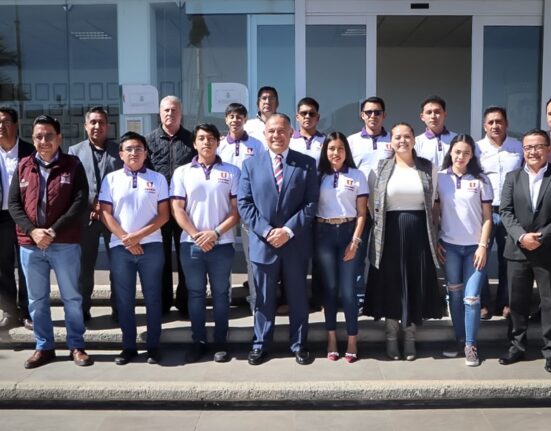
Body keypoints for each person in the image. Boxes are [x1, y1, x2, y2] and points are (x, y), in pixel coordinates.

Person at [8, 115, 92, 369]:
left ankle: (76, 345)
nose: (43, 141)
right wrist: (33, 232)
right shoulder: (23, 165)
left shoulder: (72, 165)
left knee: (72, 298)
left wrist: (52, 231)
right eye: (38, 137)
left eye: (48, 136)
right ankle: (44, 347)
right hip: (30, 246)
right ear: (32, 139)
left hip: (64, 243)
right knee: (36, 300)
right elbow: (14, 204)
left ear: (59, 138)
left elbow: (80, 202)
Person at [238, 113, 319, 366]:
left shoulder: (306, 164)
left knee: (297, 297)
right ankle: (261, 344)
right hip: (263, 244)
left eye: (281, 130)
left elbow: (311, 203)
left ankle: (299, 344)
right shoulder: (251, 165)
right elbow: (244, 203)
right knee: (263, 299)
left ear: (291, 132)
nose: (276, 135)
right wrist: (266, 231)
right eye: (271, 131)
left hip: (294, 244)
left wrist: (288, 231)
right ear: (265, 134)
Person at [363, 123, 443, 361]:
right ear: (391, 140)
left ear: (414, 140)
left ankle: (409, 337)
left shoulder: (428, 167)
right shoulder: (380, 167)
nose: (403, 141)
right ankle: (390, 336)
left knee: (413, 283)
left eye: (407, 136)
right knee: (391, 284)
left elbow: (433, 202)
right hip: (389, 233)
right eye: (398, 137)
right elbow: (371, 202)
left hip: (419, 234)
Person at [171, 124, 240, 363]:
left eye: (211, 138)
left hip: (222, 244)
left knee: (221, 294)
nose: (206, 143)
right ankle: (198, 340)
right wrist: (197, 234)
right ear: (194, 143)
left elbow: (236, 210)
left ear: (218, 142)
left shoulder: (232, 171)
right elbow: (177, 209)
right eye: (201, 138)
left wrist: (216, 233)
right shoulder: (182, 172)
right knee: (196, 294)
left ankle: (221, 341)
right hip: (191, 245)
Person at [99, 131, 169, 365]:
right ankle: (128, 346)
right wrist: (125, 239)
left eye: (138, 148)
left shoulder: (158, 179)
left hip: (151, 247)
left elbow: (164, 215)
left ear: (146, 153)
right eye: (128, 149)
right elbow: (105, 213)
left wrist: (137, 236)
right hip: (121, 249)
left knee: (153, 298)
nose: (134, 153)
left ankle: (153, 347)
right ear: (121, 154)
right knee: (124, 299)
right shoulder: (111, 179)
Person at [435, 134, 493, 366]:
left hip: (474, 250)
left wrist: (483, 246)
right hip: (449, 247)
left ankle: (471, 345)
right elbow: (435, 213)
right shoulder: (440, 178)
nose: (461, 156)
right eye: (457, 152)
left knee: (471, 298)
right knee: (455, 295)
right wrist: (436, 238)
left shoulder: (481, 180)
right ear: (451, 152)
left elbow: (488, 218)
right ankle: (459, 340)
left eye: (466, 153)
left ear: (472, 155)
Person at [498, 129, 551, 373]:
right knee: (517, 302)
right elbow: (506, 212)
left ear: (548, 149)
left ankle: (549, 350)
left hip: (547, 249)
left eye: (538, 146)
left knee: (549, 303)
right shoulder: (512, 177)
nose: (533, 151)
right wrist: (521, 236)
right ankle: (517, 346)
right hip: (518, 250)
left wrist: (541, 236)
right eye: (528, 147)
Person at [315, 132, 367, 363]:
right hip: (324, 233)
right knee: (330, 289)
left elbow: (362, 213)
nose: (335, 153)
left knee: (348, 290)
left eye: (340, 149)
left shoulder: (357, 175)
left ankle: (353, 339)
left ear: (346, 151)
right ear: (325, 152)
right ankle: (332, 339)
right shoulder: (318, 176)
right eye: (331, 149)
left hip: (348, 233)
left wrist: (355, 242)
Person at [68, 106, 122, 322]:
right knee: (84, 268)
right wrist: (90, 207)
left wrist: (105, 207)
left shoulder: (119, 151)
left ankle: (119, 309)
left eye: (101, 122)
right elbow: (73, 186)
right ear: (86, 126)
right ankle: (83, 310)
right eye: (93, 122)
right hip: (85, 218)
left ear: (107, 126)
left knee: (118, 267)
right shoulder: (74, 151)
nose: (97, 126)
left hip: (114, 218)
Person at [146, 95, 196, 315]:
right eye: (166, 110)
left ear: (181, 113)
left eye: (174, 110)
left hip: (185, 208)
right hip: (158, 208)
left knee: (186, 256)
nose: (170, 114)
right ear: (159, 113)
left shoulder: (192, 140)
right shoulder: (148, 141)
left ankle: (185, 302)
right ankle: (164, 301)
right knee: (161, 257)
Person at [476, 106, 523, 319]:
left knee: (509, 258)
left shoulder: (518, 147)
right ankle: (483, 302)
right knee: (481, 256)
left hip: (511, 211)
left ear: (506, 123)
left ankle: (505, 301)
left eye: (499, 121)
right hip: (484, 211)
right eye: (491, 122)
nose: (495, 126)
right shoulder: (476, 149)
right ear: (484, 126)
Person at [217, 103, 264, 315]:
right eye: (231, 116)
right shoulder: (218, 146)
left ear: (245, 120)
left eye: (239, 116)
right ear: (226, 119)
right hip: (224, 208)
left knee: (251, 256)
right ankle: (223, 300)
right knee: (223, 255)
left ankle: (256, 301)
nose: (235, 120)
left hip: (249, 206)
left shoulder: (257, 144)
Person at [347, 96, 393, 310]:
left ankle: (381, 298)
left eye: (377, 112)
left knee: (383, 256)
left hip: (387, 208)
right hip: (360, 208)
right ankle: (357, 299)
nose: (373, 116)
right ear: (361, 115)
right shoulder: (352, 141)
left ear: (384, 115)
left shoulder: (393, 140)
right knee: (357, 254)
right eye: (368, 112)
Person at [0, 107, 34, 330]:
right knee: (2, 267)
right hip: (0, 218)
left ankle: (27, 312)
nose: (1, 126)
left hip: (25, 217)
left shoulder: (30, 152)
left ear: (15, 124)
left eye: (5, 121)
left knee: (27, 266)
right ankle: (9, 313)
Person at [414, 95, 457, 169]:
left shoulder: (456, 139)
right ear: (422, 117)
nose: (433, 116)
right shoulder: (416, 142)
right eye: (429, 112)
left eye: (437, 112)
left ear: (445, 114)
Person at [290, 97, 325, 166]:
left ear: (317, 117)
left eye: (312, 114)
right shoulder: (289, 140)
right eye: (304, 113)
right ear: (297, 117)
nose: (307, 116)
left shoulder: (326, 141)